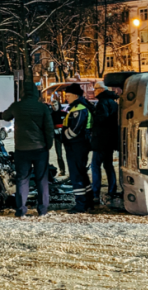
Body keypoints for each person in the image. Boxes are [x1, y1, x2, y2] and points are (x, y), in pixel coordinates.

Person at [1, 81, 54, 218]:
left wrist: (16, 107)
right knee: (42, 179)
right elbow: (49, 128)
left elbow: (5, 116)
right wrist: (48, 144)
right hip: (40, 148)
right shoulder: (42, 107)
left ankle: (21, 210)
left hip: (22, 149)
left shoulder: (17, 106)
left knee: (22, 179)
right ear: (37, 94)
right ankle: (42, 210)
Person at [62, 83, 95, 214]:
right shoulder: (80, 107)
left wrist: (64, 136)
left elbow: (75, 129)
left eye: (68, 96)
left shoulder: (79, 109)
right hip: (79, 145)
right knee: (81, 173)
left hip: (77, 146)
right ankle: (88, 201)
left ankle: (81, 204)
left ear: (75, 95)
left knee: (76, 174)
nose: (67, 98)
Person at [90, 82, 119, 202]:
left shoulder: (102, 102)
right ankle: (112, 189)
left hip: (101, 140)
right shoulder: (113, 102)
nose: (94, 91)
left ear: (101, 90)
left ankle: (95, 192)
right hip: (110, 140)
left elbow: (101, 119)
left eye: (95, 89)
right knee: (108, 165)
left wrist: (94, 117)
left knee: (95, 166)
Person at [50, 100, 68, 176]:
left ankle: (71, 170)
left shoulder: (64, 113)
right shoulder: (51, 115)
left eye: (55, 105)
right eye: (53, 105)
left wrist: (63, 129)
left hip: (66, 136)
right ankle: (62, 170)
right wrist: (54, 131)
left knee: (69, 154)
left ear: (59, 105)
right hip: (57, 137)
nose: (54, 107)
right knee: (59, 155)